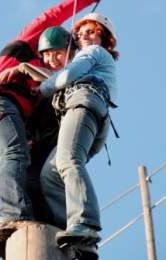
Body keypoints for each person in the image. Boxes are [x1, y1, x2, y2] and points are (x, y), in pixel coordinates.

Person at [0, 0, 97, 257]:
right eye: (52, 54)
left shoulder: (48, 87)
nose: (55, 61)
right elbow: (50, 16)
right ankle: (14, 217)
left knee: (3, 177)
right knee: (15, 155)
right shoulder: (23, 50)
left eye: (62, 58)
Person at [38, 12, 119, 258]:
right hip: (90, 117)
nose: (85, 35)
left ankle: (85, 224)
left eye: (92, 31)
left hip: (84, 106)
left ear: (104, 38)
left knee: (67, 160)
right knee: (50, 174)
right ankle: (76, 238)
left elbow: (67, 76)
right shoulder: (94, 58)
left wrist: (41, 88)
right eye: (82, 32)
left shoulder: (93, 53)